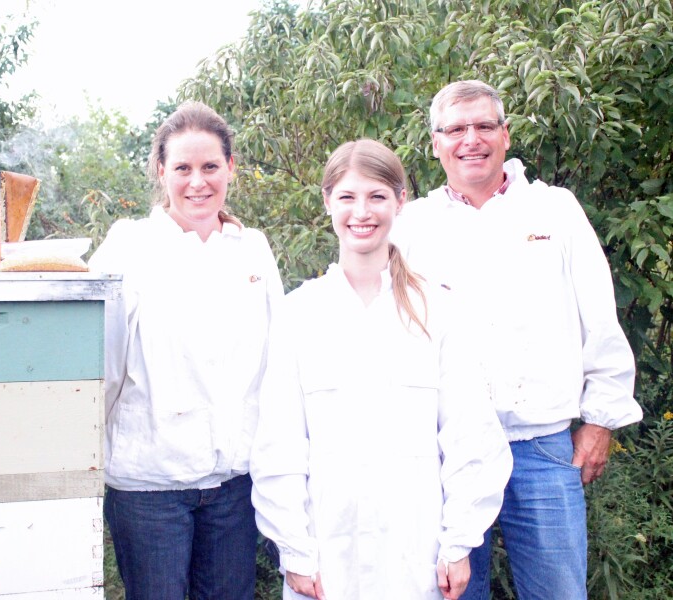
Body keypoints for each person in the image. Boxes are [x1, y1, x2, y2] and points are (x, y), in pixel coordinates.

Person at [391, 80, 644, 600]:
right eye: (456, 129)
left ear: (505, 135)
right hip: (445, 456)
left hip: (543, 448)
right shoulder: (412, 226)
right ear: (435, 143)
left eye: (485, 126)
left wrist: (600, 421)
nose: (471, 140)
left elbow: (599, 320)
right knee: (451, 594)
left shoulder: (556, 210)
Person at [250, 139, 513, 600]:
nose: (362, 212)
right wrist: (294, 550)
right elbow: (280, 446)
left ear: (400, 202)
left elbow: (469, 434)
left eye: (377, 197)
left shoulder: (437, 310)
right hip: (326, 563)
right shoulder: (299, 315)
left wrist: (457, 544)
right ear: (328, 201)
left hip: (415, 559)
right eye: (348, 197)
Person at [88, 101, 284, 600]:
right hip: (152, 484)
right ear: (160, 171)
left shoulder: (253, 249)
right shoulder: (127, 247)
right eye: (182, 168)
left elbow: (276, 361)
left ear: (230, 168)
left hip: (233, 483)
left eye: (210, 167)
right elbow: (103, 367)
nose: (198, 182)